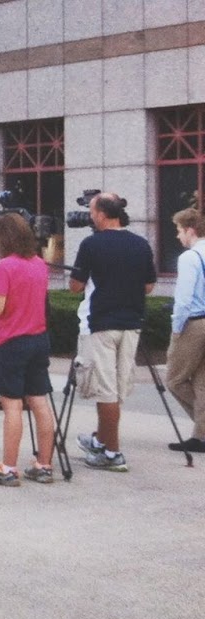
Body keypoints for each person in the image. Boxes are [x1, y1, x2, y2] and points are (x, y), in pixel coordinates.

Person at [69, 192, 156, 472]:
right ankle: (102, 442)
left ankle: (113, 453)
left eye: (92, 211)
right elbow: (148, 286)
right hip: (132, 323)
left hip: (101, 324)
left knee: (105, 391)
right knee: (115, 390)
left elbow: (75, 286)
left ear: (102, 214)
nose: (90, 216)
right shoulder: (141, 244)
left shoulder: (91, 244)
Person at [0, 212, 56, 486]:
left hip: (11, 341)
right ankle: (44, 465)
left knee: (12, 405)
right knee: (39, 401)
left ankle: (8, 468)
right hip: (38, 338)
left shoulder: (5, 267)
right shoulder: (39, 264)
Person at [165, 207, 205, 453]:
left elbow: (183, 299)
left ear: (190, 230)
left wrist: (176, 328)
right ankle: (200, 435)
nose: (178, 235)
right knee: (202, 382)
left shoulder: (189, 257)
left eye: (179, 230)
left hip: (194, 323)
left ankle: (203, 429)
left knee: (174, 380)